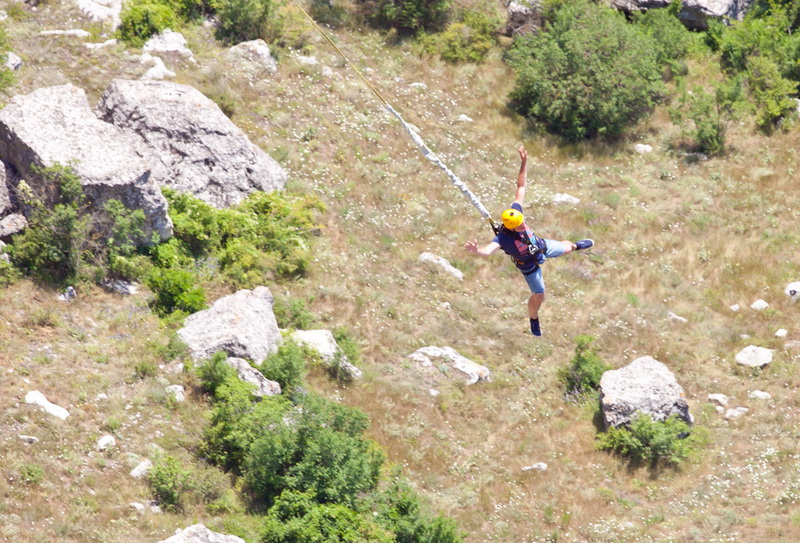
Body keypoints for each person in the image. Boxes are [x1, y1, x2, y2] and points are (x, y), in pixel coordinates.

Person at [464, 145, 594, 337]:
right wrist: (476, 251)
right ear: (511, 227)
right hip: (528, 265)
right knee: (539, 295)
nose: (524, 224)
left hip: (540, 246)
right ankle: (533, 318)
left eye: (522, 221)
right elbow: (488, 251)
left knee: (568, 247)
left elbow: (521, 187)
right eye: (520, 225)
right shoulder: (502, 239)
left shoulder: (516, 213)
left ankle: (576, 245)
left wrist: (524, 162)